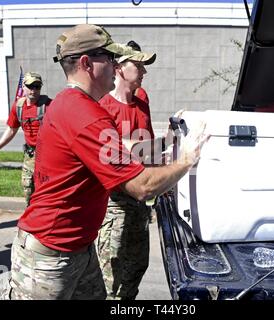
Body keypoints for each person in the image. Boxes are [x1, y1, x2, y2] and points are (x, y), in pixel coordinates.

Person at [0, 24, 207, 300]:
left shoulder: (74, 105)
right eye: (110, 58)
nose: (114, 65)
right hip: (50, 258)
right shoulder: (84, 114)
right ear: (86, 63)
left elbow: (121, 148)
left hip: (78, 249)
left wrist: (165, 144)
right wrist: (187, 159)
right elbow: (142, 186)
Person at [97, 45, 157, 299]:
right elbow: (104, 154)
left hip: (140, 202)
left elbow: (150, 148)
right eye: (138, 65)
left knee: (135, 270)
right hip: (114, 205)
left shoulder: (142, 101)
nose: (144, 71)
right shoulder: (103, 106)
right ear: (119, 68)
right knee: (110, 276)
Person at [0, 72, 52, 206]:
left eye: (37, 86)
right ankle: (31, 221)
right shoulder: (18, 106)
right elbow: (11, 130)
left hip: (48, 156)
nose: (33, 90)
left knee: (46, 192)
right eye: (30, 86)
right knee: (28, 190)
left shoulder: (49, 105)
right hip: (30, 155)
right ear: (24, 87)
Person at [126, 40, 150, 104]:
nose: (144, 71)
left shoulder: (140, 94)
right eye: (138, 65)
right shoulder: (104, 97)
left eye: (142, 65)